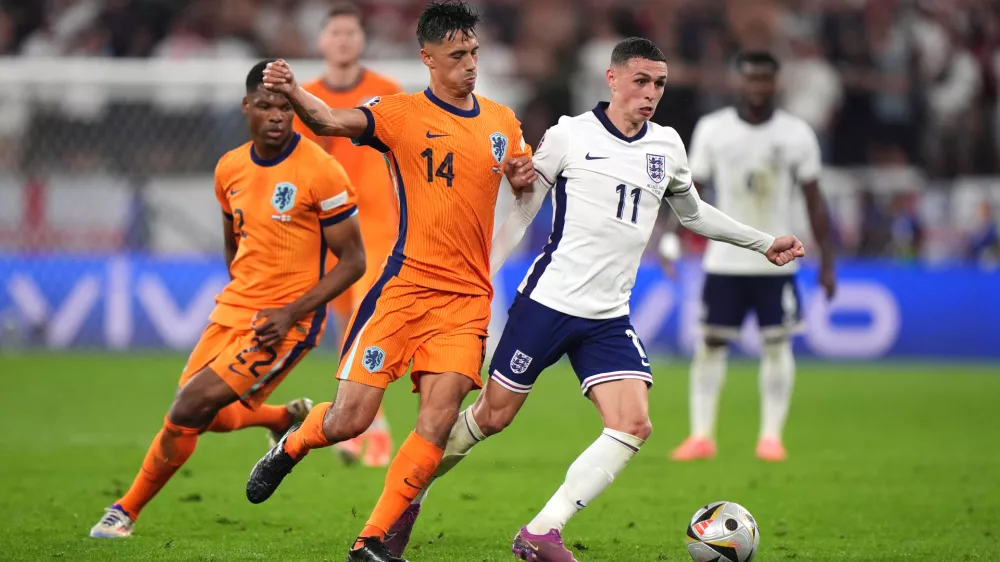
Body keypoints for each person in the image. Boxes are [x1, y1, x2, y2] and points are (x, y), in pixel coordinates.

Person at [382, 38, 806, 561]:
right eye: (641, 82)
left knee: (633, 424)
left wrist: (764, 242)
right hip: (548, 304)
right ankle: (408, 496)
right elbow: (523, 207)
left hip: (608, 315)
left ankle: (541, 533)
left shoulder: (667, 146)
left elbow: (693, 214)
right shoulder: (569, 134)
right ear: (612, 80)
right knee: (491, 417)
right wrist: (480, 270)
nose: (651, 94)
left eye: (660, 85)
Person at [244, 3, 536, 561]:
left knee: (438, 418)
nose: (470, 64)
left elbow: (523, 187)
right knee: (350, 420)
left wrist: (522, 180)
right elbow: (330, 120)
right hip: (403, 290)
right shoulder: (400, 115)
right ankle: (297, 441)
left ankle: (371, 541)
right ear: (427, 59)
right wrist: (294, 91)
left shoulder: (503, 121)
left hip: (467, 299)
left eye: (473, 53)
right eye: (457, 56)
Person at [88, 59, 366, 539]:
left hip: (287, 321)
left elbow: (353, 261)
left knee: (186, 408)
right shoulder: (230, 167)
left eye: (284, 106)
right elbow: (233, 239)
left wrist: (289, 312)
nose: (276, 115)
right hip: (235, 308)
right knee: (205, 417)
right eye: (265, 106)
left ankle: (124, 512)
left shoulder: (322, 170)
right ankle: (283, 417)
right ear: (246, 107)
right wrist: (243, 291)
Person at [667, 51, 836, 463]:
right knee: (710, 343)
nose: (757, 87)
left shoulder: (797, 134)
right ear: (738, 82)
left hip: (777, 260)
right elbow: (690, 192)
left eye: (765, 79)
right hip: (723, 259)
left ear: (776, 83)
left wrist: (828, 261)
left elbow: (815, 201)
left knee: (777, 345)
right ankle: (702, 435)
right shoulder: (713, 129)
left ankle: (771, 437)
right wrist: (672, 241)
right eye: (750, 79)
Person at [295, 1, 403, 469]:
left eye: (351, 33)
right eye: (335, 32)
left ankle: (371, 428)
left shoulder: (385, 93)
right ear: (322, 41)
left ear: (361, 41)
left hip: (377, 224)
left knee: (366, 322)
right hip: (328, 229)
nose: (343, 40)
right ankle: (359, 425)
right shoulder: (306, 97)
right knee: (345, 330)